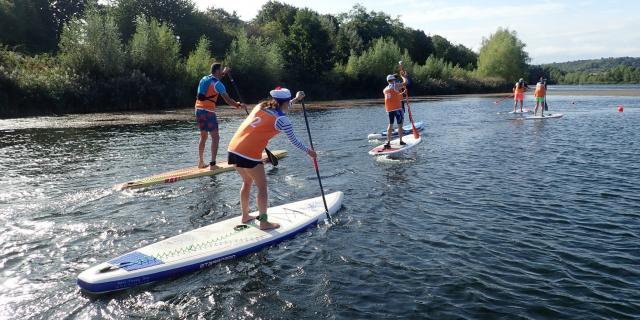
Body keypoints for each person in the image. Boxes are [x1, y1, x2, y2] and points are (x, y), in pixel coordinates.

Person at [227, 88, 317, 230]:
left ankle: (245, 216)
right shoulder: (282, 120)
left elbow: (280, 107)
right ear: (285, 102)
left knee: (247, 181)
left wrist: (296, 99)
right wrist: (309, 152)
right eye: (289, 102)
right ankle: (263, 222)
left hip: (232, 148)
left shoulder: (261, 106)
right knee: (262, 188)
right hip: (248, 153)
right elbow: (294, 141)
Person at [194, 63, 247, 169]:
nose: (222, 71)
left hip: (198, 109)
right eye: (221, 69)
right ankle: (213, 164)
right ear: (217, 71)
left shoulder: (204, 79)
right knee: (215, 137)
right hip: (208, 111)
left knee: (203, 136)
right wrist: (238, 105)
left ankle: (200, 162)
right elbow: (227, 100)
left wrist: (224, 73)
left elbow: (214, 82)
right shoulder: (218, 84)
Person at [383, 71, 408, 149]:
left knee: (390, 124)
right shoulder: (395, 85)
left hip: (389, 110)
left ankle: (388, 142)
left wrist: (402, 93)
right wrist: (403, 76)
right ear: (393, 80)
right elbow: (405, 83)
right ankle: (401, 141)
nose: (395, 80)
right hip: (397, 109)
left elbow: (393, 96)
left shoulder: (385, 89)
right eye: (394, 79)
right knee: (400, 125)